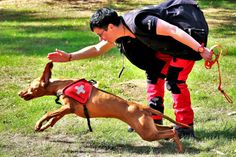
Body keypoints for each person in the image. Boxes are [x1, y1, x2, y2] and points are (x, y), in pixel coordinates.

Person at [48, 0, 212, 138]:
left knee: (175, 81)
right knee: (153, 75)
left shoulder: (140, 21)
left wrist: (200, 49)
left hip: (185, 45)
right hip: (165, 47)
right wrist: (69, 56)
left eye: (100, 34)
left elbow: (173, 30)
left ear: (110, 27)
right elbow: (98, 49)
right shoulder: (122, 32)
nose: (101, 38)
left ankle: (185, 126)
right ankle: (153, 120)